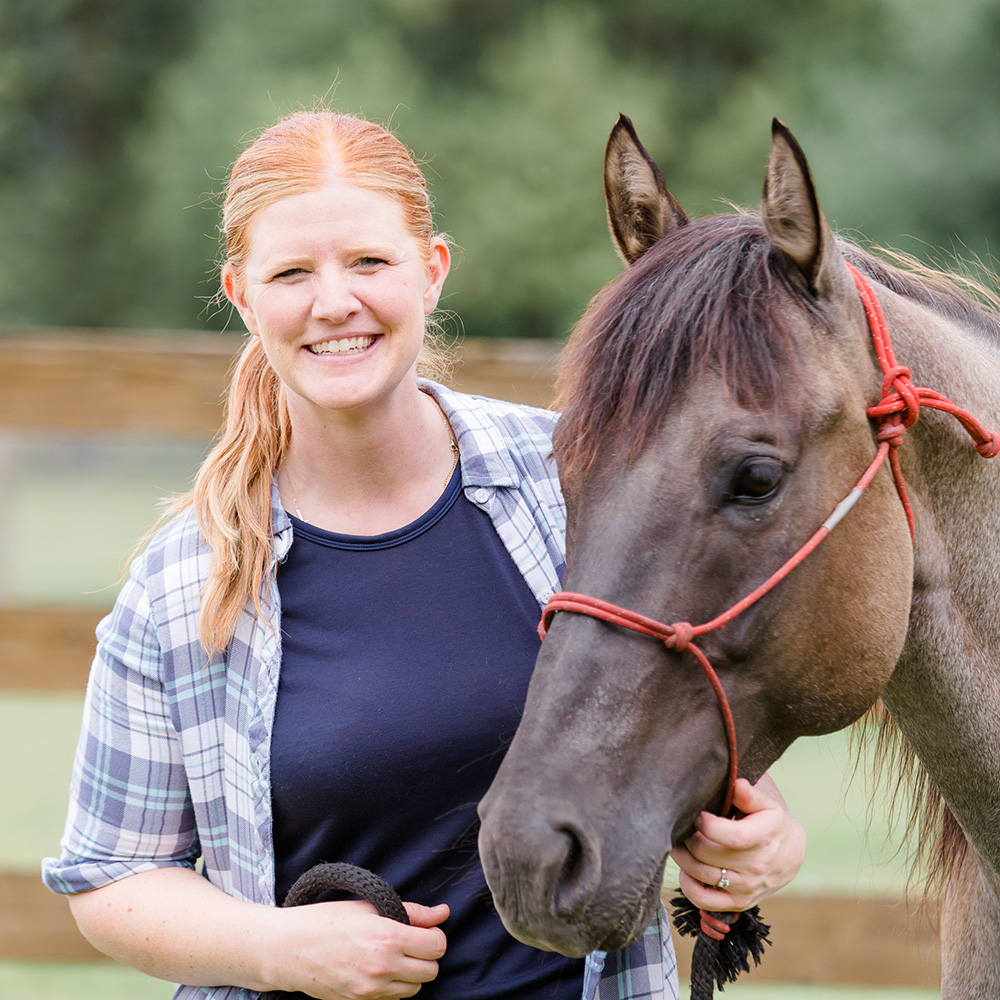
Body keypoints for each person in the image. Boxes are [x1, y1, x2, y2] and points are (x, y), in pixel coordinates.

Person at [42, 110, 806, 1000]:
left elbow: (700, 738)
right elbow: (111, 877)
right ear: (244, 296)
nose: (335, 302)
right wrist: (275, 951)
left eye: (369, 262)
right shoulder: (185, 581)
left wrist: (762, 839)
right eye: (292, 272)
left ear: (432, 270)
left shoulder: (581, 488)